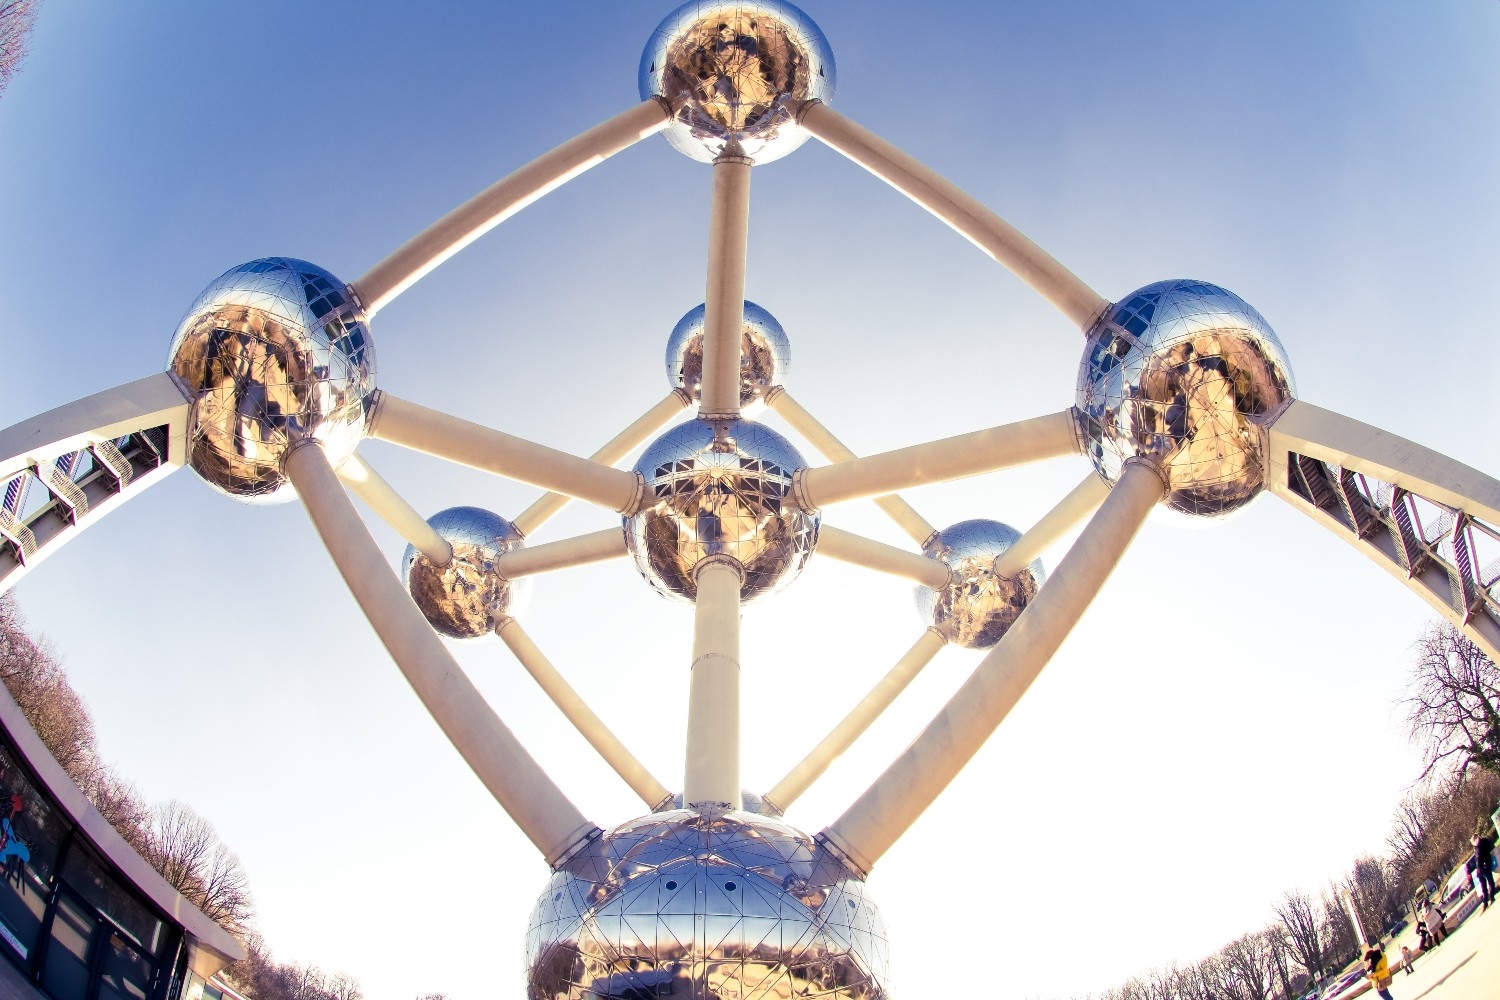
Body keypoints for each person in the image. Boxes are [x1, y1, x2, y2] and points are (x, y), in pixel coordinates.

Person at [1472, 833, 1496, 909]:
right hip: (1483, 867)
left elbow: (1478, 858)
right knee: (1489, 883)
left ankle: (1485, 902)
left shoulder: (1478, 847)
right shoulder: (1481, 844)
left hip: (1481, 867)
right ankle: (1489, 899)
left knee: (1485, 885)